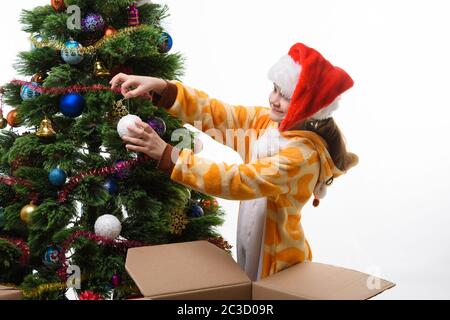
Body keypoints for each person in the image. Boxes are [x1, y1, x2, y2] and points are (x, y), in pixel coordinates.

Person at [110, 42, 359, 281]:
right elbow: (220, 115)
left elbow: (238, 180)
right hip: (251, 247)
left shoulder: (302, 156)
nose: (273, 99)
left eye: (285, 97)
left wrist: (169, 155)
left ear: (309, 108)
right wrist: (164, 88)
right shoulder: (267, 123)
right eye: (275, 88)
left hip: (280, 265)